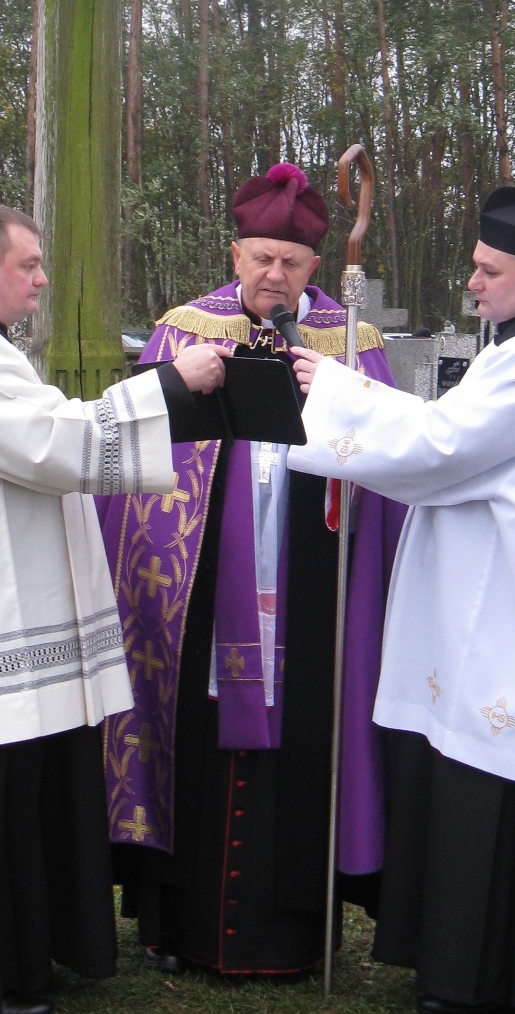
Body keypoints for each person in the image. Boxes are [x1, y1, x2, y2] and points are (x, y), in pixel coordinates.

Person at [0, 204, 225, 1014]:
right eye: (27, 265)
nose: (39, 281)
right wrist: (170, 383)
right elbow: (49, 441)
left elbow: (47, 436)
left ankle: (20, 962)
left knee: (17, 798)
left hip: (6, 617)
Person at [288, 177, 515, 1014]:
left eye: (488, 271)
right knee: (461, 766)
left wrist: (335, 390)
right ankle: (466, 962)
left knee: (485, 772)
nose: (472, 282)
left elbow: (439, 446)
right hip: (487, 593)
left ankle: (475, 975)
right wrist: (349, 392)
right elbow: (450, 435)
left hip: (505, 610)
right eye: (475, 264)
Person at [98, 162, 405, 976]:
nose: (275, 275)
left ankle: (294, 933)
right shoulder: (184, 331)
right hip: (202, 581)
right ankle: (175, 922)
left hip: (313, 578)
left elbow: (390, 464)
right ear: (235, 255)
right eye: (261, 258)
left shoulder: (352, 342)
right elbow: (143, 464)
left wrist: (344, 402)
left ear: (314, 266)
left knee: (309, 736)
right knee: (190, 731)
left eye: (291, 263)